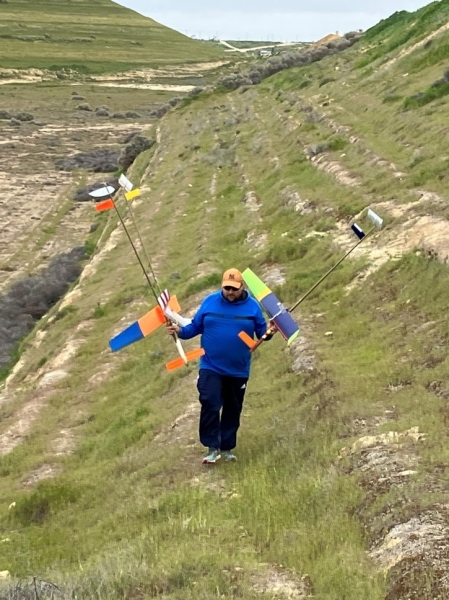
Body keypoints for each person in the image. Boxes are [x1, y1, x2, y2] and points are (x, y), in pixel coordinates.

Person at [167, 268, 271, 464]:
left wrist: (271, 330)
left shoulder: (253, 307)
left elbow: (262, 334)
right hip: (210, 365)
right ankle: (212, 447)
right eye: (227, 288)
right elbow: (195, 327)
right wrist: (179, 331)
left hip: (238, 369)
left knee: (233, 407)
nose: (230, 292)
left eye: (234, 289)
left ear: (242, 287)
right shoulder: (210, 301)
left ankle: (227, 448)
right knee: (210, 400)